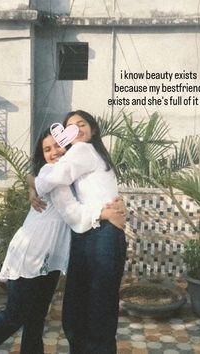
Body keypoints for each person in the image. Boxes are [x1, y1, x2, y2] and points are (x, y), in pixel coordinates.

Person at [0, 128, 125, 354]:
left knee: (36, 318)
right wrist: (104, 214)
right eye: (47, 149)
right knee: (14, 316)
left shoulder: (70, 172)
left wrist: (30, 183)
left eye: (57, 145)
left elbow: (88, 191)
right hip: (32, 253)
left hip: (50, 259)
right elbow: (72, 212)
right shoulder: (53, 173)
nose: (54, 152)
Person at [28, 110, 127, 354]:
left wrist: (36, 184)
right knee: (91, 309)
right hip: (96, 234)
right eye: (70, 127)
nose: (77, 129)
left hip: (100, 235)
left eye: (81, 124)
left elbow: (56, 176)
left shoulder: (83, 150)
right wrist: (32, 185)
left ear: (93, 128)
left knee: (92, 310)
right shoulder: (90, 155)